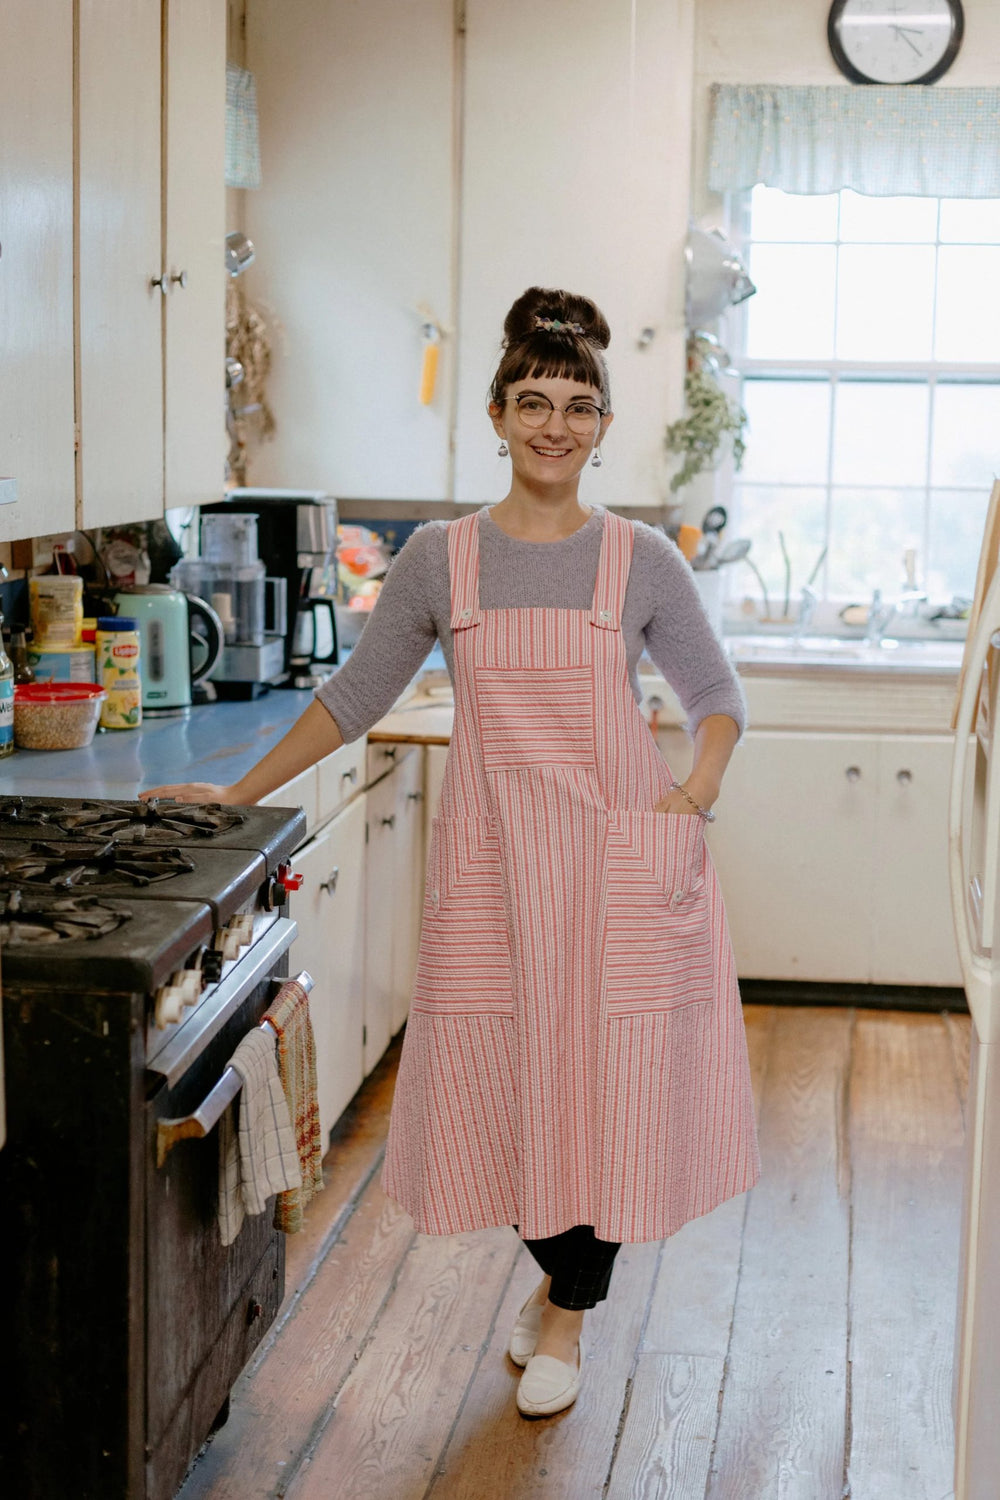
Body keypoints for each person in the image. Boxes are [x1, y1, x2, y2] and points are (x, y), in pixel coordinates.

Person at [142, 286, 760, 1420]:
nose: (555, 426)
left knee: (612, 1094)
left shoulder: (637, 562)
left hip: (620, 869)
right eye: (534, 400)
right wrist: (234, 790)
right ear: (495, 412)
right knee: (509, 1089)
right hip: (495, 877)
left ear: (604, 424)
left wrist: (691, 796)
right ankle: (558, 1278)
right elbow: (354, 697)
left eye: (579, 405)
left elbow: (716, 698)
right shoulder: (440, 560)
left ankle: (567, 1310)